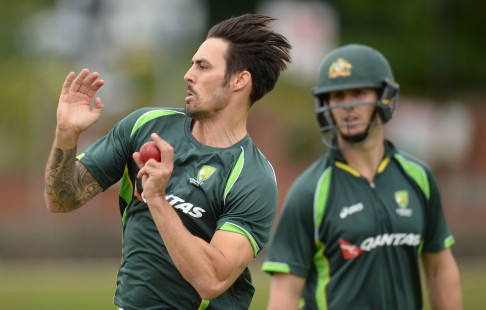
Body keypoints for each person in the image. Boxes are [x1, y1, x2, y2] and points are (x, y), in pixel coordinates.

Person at [44, 14, 291, 309]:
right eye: (191, 64)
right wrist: (66, 134)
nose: (188, 74)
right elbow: (62, 200)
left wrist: (158, 199)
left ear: (240, 80)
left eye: (202, 66)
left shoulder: (253, 177)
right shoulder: (146, 124)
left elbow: (210, 280)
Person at [262, 44, 462, 310]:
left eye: (358, 93)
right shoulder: (310, 191)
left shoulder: (418, 177)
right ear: (325, 105)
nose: (348, 106)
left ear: (385, 97)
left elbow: (439, 270)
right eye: (337, 96)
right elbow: (285, 293)